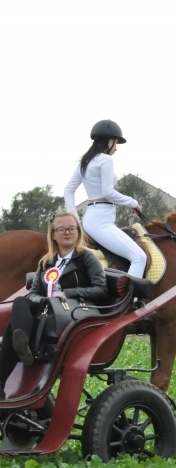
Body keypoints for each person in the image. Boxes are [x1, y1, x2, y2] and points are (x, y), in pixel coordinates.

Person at [0, 212, 106, 399]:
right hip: (48, 310)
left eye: (71, 228)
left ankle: (19, 348)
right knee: (20, 302)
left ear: (78, 232)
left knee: (11, 330)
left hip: (72, 313)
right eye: (61, 229)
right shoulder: (47, 261)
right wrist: (44, 301)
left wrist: (69, 293)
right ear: (54, 234)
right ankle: (21, 345)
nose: (67, 232)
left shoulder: (87, 259)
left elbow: (101, 290)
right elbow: (33, 292)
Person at [64, 119, 146, 278]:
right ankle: (130, 301)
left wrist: (75, 219)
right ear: (109, 140)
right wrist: (133, 202)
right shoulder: (106, 159)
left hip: (92, 218)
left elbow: (68, 190)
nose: (116, 149)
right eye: (116, 144)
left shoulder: (86, 161)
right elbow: (107, 192)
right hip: (101, 222)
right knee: (139, 257)